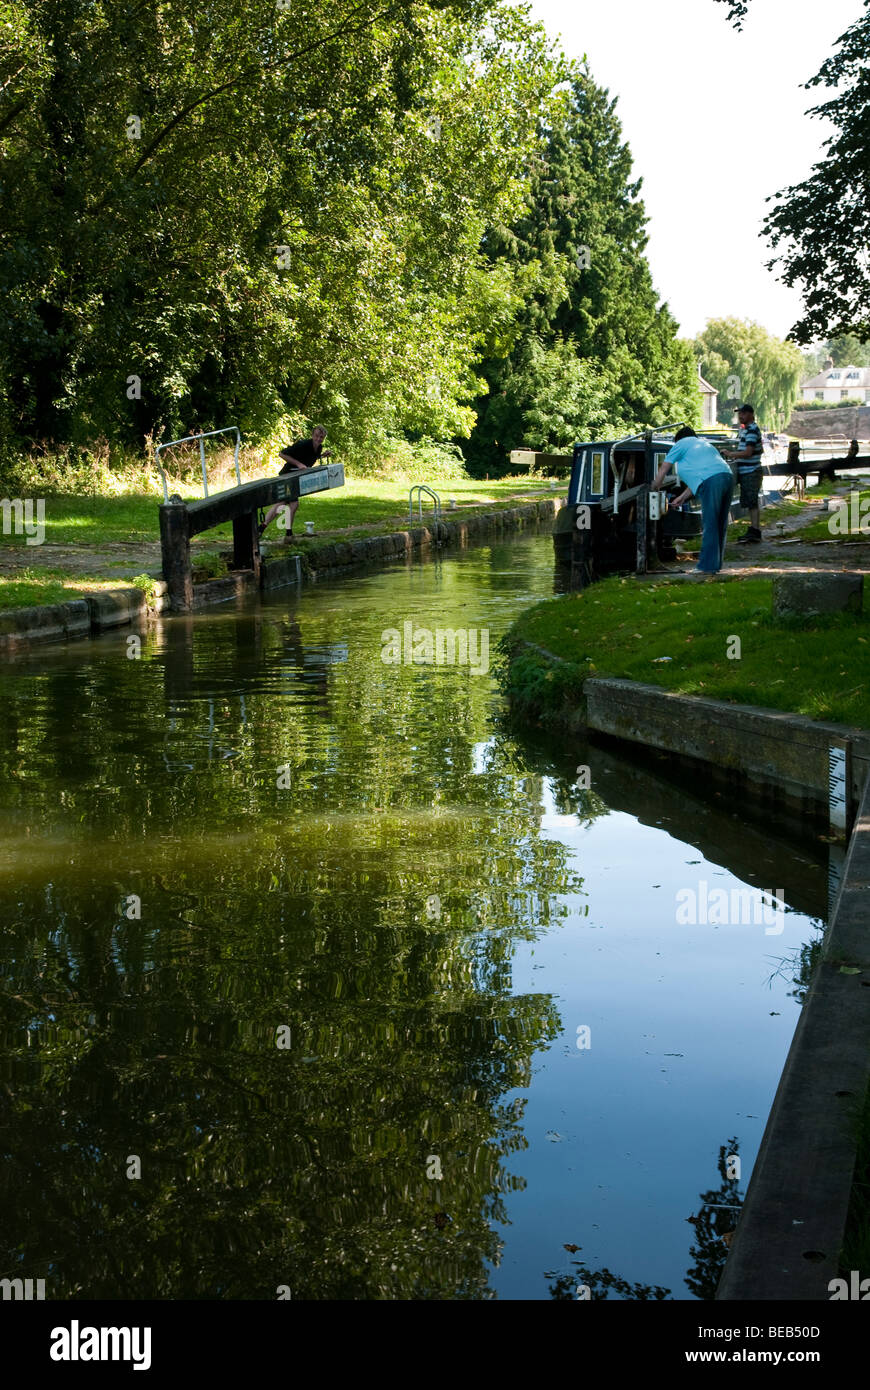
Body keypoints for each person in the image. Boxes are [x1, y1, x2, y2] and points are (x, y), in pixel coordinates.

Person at [651, 425, 734, 575]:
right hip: (727, 477)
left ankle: (705, 567)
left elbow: (664, 467)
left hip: (712, 482)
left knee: (709, 523)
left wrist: (654, 487)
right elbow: (701, 475)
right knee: (720, 523)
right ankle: (715, 565)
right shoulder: (704, 445)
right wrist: (681, 498)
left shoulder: (681, 443)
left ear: (679, 439)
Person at [259, 425, 328, 538]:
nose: (318, 439)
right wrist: (298, 464)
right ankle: (287, 534)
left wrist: (322, 456)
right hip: (287, 475)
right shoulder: (303, 444)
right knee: (293, 504)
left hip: (295, 478)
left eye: (321, 437)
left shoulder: (319, 448)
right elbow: (282, 454)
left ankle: (263, 528)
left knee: (283, 503)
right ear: (312, 435)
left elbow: (309, 458)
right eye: (316, 436)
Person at [724, 404, 764, 544]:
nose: (740, 416)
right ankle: (754, 530)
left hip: (751, 471)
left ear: (751, 415)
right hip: (748, 471)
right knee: (750, 501)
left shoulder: (752, 430)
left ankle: (755, 531)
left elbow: (748, 453)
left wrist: (731, 454)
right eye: (739, 413)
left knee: (752, 502)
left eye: (744, 413)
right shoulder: (746, 430)